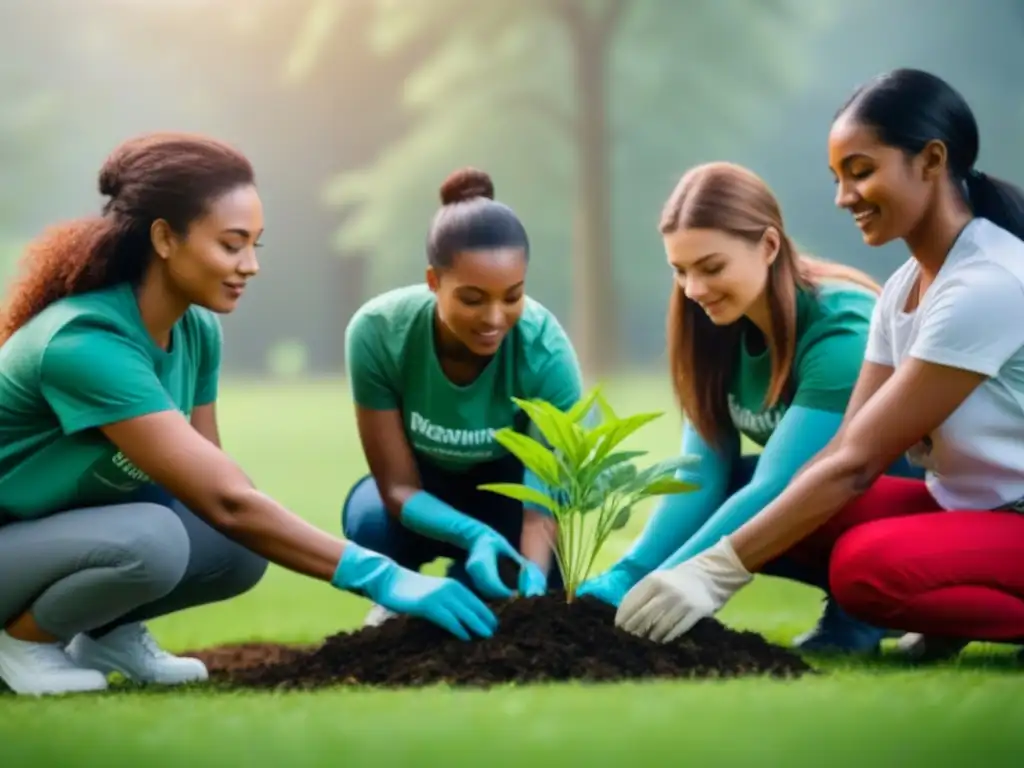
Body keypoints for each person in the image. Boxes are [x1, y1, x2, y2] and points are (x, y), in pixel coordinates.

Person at [0, 133, 498, 697]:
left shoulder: (194, 330)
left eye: (256, 244)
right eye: (232, 245)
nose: (251, 266)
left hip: (51, 543)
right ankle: (24, 640)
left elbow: (213, 487)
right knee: (156, 539)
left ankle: (105, 632)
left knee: (232, 549)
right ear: (164, 237)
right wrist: (386, 576)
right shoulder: (84, 343)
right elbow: (226, 500)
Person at [613, 68, 1024, 661]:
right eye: (837, 178)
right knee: (795, 512)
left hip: (1010, 515)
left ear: (931, 161)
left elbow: (859, 463)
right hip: (966, 506)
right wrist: (682, 565)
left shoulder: (985, 284)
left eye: (861, 172)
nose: (843, 197)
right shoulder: (905, 286)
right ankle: (949, 616)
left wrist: (716, 572)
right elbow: (838, 451)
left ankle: (962, 617)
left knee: (865, 570)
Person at [576, 160, 919, 654]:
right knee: (727, 485)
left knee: (784, 486)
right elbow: (700, 474)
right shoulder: (711, 328)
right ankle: (859, 603)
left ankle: (863, 610)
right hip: (830, 506)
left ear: (769, 245)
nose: (694, 290)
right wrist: (627, 575)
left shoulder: (840, 329)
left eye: (712, 267)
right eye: (680, 271)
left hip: (908, 509)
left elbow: (782, 485)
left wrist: (682, 578)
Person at [341, 167, 583, 627]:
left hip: (507, 497)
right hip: (420, 492)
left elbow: (539, 509)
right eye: (472, 299)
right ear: (433, 282)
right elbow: (397, 488)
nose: (495, 318)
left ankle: (471, 587)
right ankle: (398, 593)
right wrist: (471, 534)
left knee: (509, 596)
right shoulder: (378, 333)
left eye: (512, 296)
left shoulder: (545, 351)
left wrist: (530, 586)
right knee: (370, 522)